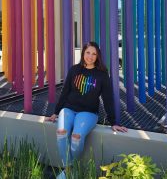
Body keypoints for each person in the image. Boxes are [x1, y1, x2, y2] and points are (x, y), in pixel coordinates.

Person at [46, 41, 127, 178]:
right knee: (61, 132)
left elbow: (107, 99)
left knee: (76, 137)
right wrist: (55, 112)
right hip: (68, 109)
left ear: (97, 56)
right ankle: (69, 169)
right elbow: (65, 92)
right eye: (88, 52)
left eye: (94, 54)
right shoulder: (74, 70)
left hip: (88, 112)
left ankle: (68, 171)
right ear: (83, 53)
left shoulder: (101, 74)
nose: (90, 56)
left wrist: (113, 122)